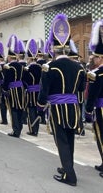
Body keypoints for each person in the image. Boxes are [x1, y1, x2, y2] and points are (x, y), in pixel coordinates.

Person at [38, 14, 86, 187]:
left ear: (54, 49)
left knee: (62, 141)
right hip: (73, 108)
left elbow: (44, 91)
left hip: (58, 108)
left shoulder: (49, 67)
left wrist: (40, 105)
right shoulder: (79, 67)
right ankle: (68, 168)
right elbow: (81, 89)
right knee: (70, 139)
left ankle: (70, 176)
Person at [85, 19, 103, 178]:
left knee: (101, 135)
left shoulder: (96, 74)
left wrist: (88, 111)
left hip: (101, 108)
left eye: (96, 57)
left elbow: (92, 95)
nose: (94, 59)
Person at [3, 34, 25, 138]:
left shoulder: (8, 67)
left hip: (12, 89)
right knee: (20, 108)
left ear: (8, 57)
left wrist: (4, 89)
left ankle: (15, 130)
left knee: (13, 109)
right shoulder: (21, 66)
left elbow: (6, 80)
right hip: (21, 89)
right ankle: (19, 128)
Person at [22, 38, 42, 136]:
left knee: (31, 111)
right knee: (37, 111)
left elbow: (24, 81)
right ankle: (36, 129)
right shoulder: (41, 68)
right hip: (38, 92)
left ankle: (32, 129)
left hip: (30, 93)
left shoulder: (27, 69)